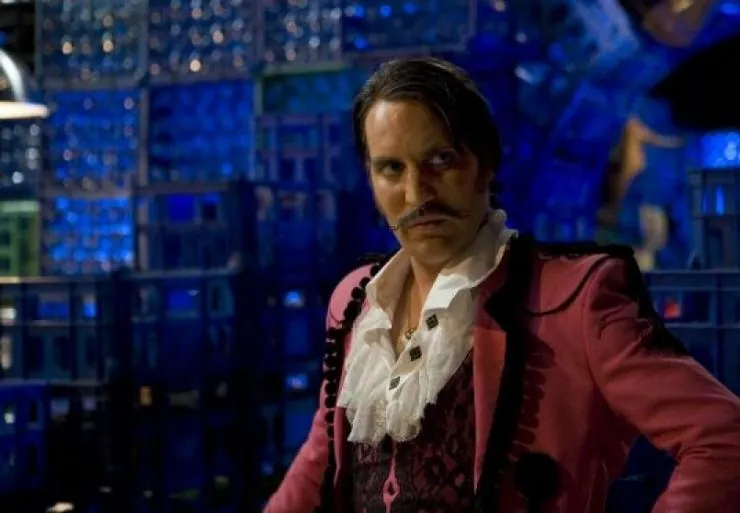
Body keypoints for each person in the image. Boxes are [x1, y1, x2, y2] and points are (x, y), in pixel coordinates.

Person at [265, 57, 740, 513]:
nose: (416, 194)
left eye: (440, 161)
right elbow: (320, 459)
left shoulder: (574, 299)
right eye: (391, 168)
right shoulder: (355, 301)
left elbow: (723, 437)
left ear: (485, 165)